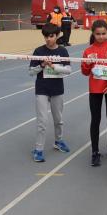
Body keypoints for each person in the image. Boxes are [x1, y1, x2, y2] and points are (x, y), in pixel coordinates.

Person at [28, 23, 72, 162]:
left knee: (58, 120)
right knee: (42, 121)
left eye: (51, 36)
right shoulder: (38, 51)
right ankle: (38, 149)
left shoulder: (63, 51)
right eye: (46, 36)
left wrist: (54, 66)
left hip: (57, 90)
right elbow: (30, 72)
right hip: (42, 89)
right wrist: (41, 65)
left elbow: (69, 70)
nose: (48, 39)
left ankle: (58, 141)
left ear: (57, 35)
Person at [81, 20, 107, 167]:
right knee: (96, 119)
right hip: (95, 89)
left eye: (103, 34)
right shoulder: (88, 51)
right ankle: (95, 151)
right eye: (97, 34)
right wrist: (87, 63)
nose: (101, 36)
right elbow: (85, 72)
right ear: (93, 33)